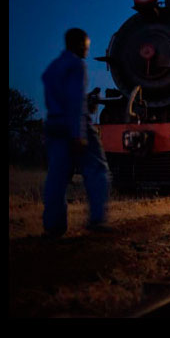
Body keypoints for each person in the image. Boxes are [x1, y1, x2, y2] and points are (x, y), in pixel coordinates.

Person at [41, 28, 111, 238]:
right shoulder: (76, 65)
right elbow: (74, 100)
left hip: (54, 123)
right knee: (98, 169)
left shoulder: (52, 67)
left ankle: (53, 226)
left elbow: (59, 99)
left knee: (57, 176)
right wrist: (78, 133)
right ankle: (97, 219)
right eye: (87, 45)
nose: (88, 50)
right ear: (79, 44)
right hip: (75, 124)